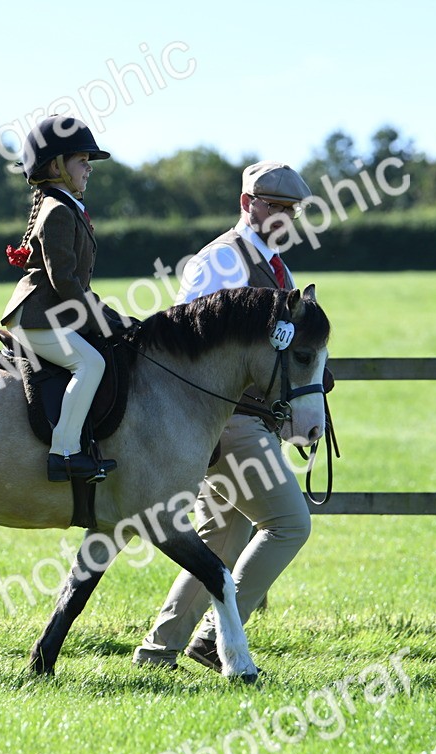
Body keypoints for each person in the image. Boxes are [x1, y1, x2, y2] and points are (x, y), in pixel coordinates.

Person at [133, 160, 319, 671]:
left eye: (292, 210)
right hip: (229, 423)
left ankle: (158, 652)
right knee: (289, 524)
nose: (283, 217)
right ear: (246, 204)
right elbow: (184, 340)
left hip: (252, 419)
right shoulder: (221, 261)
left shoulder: (277, 268)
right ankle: (217, 636)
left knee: (221, 537)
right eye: (274, 206)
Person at [0, 116, 129, 483]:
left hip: (51, 315)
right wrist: (106, 319)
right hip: (37, 317)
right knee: (91, 364)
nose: (89, 167)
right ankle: (65, 453)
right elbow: (67, 284)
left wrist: (111, 317)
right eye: (81, 160)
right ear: (56, 166)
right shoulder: (57, 211)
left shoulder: (65, 205)